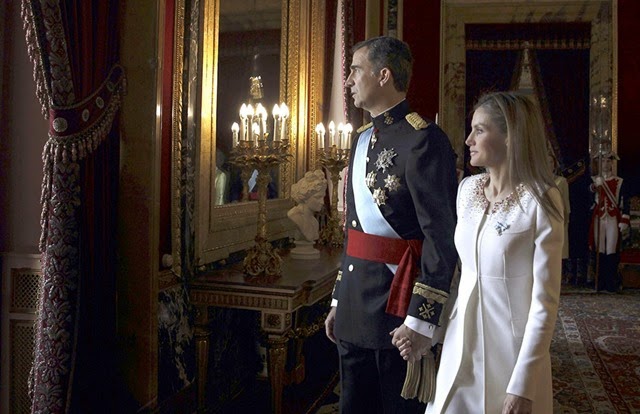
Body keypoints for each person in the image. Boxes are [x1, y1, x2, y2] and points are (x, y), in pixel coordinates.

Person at [404, 91, 564, 413]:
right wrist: (426, 329)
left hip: (511, 354)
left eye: (480, 130)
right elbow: (458, 276)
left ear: (510, 137)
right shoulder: (467, 190)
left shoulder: (540, 201)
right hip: (459, 344)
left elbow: (545, 303)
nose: (467, 140)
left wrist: (523, 384)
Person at [323, 36, 458, 413]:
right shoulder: (362, 139)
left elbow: (440, 238)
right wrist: (338, 298)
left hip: (397, 313)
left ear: (384, 75)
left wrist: (421, 321)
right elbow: (355, 230)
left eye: (355, 70)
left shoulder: (424, 141)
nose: (348, 80)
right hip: (353, 310)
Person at [589, 152, 630, 292]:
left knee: (611, 249)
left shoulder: (619, 181)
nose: (606, 164)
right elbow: (588, 197)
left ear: (612, 163)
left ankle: (611, 282)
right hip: (599, 218)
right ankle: (599, 282)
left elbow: (625, 201)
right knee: (599, 249)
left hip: (613, 218)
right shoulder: (595, 180)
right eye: (603, 161)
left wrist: (624, 218)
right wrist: (595, 186)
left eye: (608, 161)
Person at [287, 169, 327, 243]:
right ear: (305, 197)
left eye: (323, 197)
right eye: (318, 197)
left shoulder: (314, 222)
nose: (322, 202)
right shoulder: (294, 215)